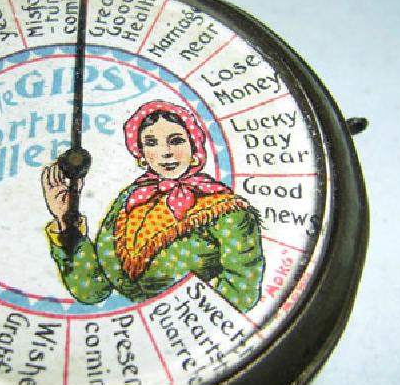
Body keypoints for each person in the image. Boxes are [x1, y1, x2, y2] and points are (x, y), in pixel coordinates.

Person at [40, 100, 264, 311]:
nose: (165, 152)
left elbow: (240, 294)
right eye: (151, 143)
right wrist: (65, 220)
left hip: (188, 328)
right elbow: (94, 290)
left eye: (176, 140)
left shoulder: (226, 211)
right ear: (142, 154)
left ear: (195, 148)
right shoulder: (132, 201)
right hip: (134, 330)